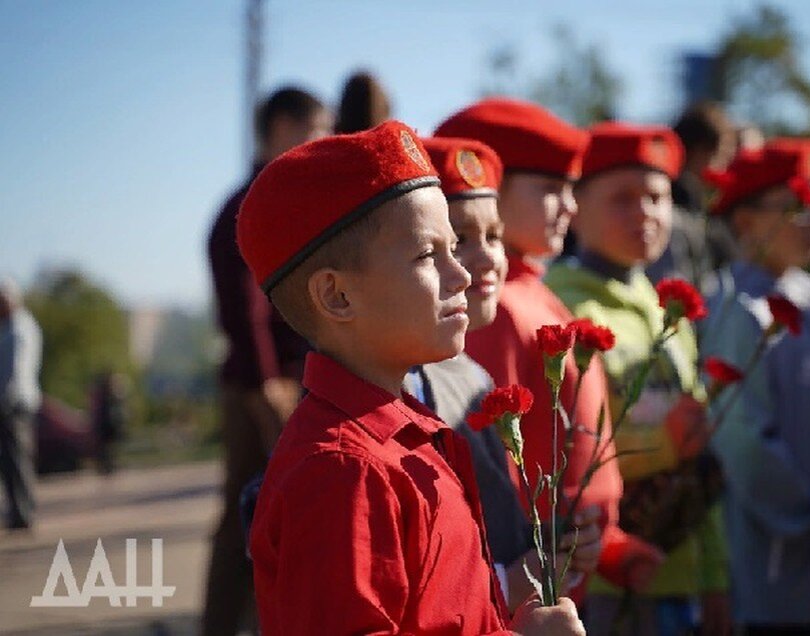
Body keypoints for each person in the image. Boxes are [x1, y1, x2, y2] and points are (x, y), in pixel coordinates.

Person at [239, 120, 586, 635]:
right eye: (430, 254)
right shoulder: (341, 470)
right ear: (337, 296)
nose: (463, 275)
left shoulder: (409, 432)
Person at [435, 98, 664, 604]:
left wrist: (608, 546)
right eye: (551, 189)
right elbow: (499, 471)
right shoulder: (493, 310)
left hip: (566, 570)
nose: (571, 205)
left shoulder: (535, 293)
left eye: (571, 189)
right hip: (525, 578)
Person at [545, 122, 729, 636]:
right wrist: (662, 444)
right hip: (604, 585)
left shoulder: (667, 309)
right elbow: (562, 450)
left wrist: (715, 576)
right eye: (622, 198)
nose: (644, 213)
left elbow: (699, 457)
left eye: (656, 197)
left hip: (682, 575)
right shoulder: (562, 306)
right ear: (575, 205)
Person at [412, 136, 604, 612]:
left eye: (493, 236)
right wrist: (507, 583)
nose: (484, 259)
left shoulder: (470, 375)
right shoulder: (396, 390)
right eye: (457, 240)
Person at [700, 143, 810, 635]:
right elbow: (745, 443)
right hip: (765, 563)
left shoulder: (807, 296)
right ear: (746, 222)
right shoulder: (739, 306)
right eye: (797, 205)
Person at [203, 86, 330, 635]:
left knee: (275, 518)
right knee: (245, 522)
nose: (319, 143)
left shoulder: (282, 197)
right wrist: (266, 386)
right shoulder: (252, 203)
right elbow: (245, 306)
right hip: (263, 385)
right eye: (314, 130)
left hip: (281, 379)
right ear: (281, 127)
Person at [646, 102, 737, 292]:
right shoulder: (671, 214)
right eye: (720, 157)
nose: (723, 169)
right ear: (698, 152)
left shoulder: (701, 212)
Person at [0, 278, 42, 532]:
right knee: (10, 461)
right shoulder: (10, 326)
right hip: (11, 401)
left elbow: (15, 371)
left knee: (17, 460)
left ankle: (24, 513)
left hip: (14, 404)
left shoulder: (19, 328)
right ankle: (18, 512)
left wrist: (5, 400)